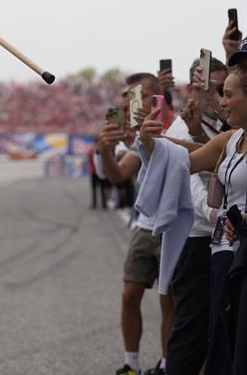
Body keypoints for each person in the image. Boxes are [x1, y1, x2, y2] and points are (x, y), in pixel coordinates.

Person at [140, 50, 247, 374]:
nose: (222, 103)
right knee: (223, 340)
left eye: (228, 95)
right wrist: (151, 142)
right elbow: (185, 161)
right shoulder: (231, 139)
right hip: (225, 255)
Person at [97, 72, 175, 375]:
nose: (133, 103)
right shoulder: (139, 132)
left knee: (169, 301)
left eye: (138, 96)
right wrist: (105, 149)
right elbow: (117, 175)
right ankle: (131, 364)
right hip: (145, 224)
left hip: (175, 225)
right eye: (130, 98)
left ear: (157, 95)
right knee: (130, 294)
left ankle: (168, 364)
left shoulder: (179, 124)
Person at [163, 57, 228, 375]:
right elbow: (187, 180)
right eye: (209, 88)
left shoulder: (225, 124)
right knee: (191, 328)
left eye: (221, 88)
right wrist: (215, 213)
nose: (216, 95)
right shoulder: (181, 126)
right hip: (195, 236)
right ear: (192, 89)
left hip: (221, 237)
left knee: (217, 328)